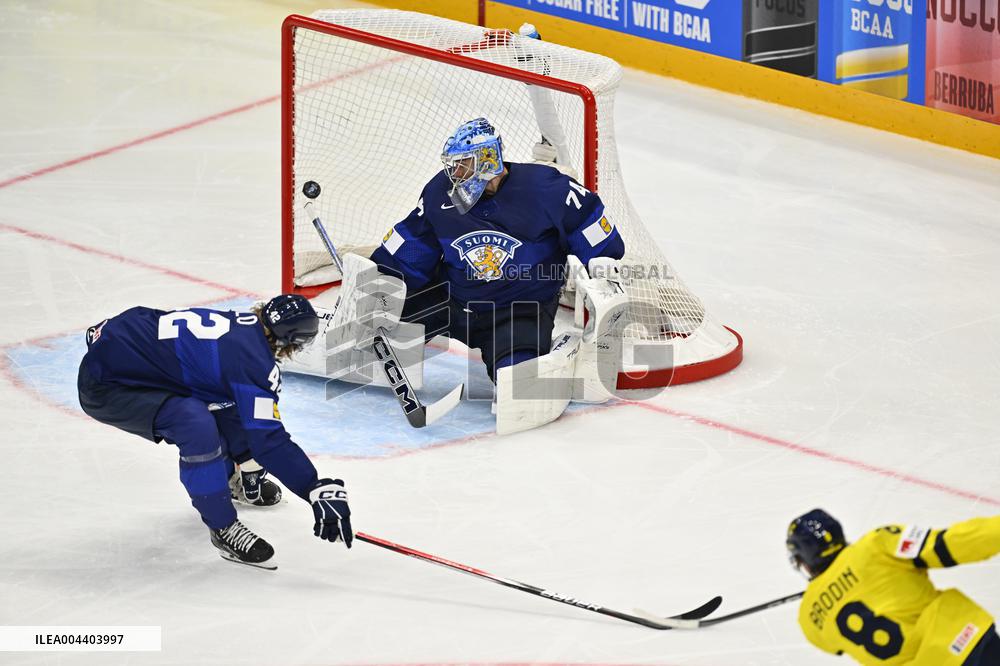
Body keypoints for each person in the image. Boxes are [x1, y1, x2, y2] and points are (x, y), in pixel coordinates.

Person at [77, 295, 353, 570]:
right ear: (289, 341)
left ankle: (236, 476)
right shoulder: (253, 362)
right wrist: (313, 487)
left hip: (120, 351)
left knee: (220, 397)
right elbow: (268, 440)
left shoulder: (240, 324)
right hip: (107, 388)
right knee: (194, 423)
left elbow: (228, 400)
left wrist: (246, 459)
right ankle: (223, 526)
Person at [368, 116, 625, 383]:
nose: (455, 173)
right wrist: (379, 279)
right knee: (372, 333)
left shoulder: (547, 189)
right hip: (452, 299)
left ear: (488, 159)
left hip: (517, 311)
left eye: (463, 164)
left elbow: (592, 229)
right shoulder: (440, 193)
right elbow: (413, 243)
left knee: (518, 384)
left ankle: (545, 359)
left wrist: (603, 271)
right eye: (454, 164)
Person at [786, 508, 1000, 664]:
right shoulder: (876, 545)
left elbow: (833, 644)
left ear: (803, 560)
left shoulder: (810, 618)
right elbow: (948, 545)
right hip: (967, 642)